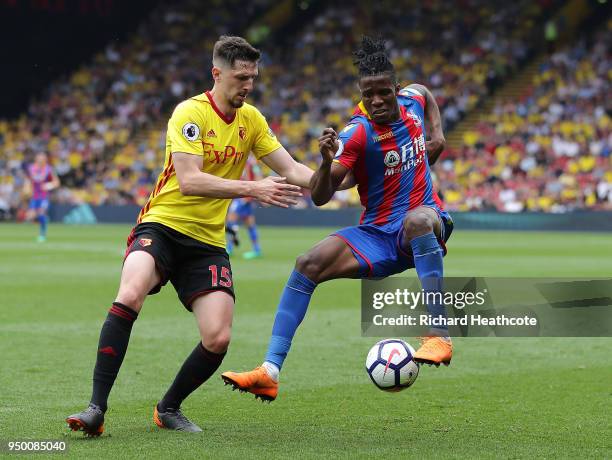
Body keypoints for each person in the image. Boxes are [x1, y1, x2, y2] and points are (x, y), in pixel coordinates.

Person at [65, 35, 316, 435]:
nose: (248, 85)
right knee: (130, 293)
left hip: (207, 243)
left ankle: (168, 408)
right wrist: (253, 188)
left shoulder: (252, 120)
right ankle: (96, 408)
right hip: (162, 225)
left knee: (218, 337)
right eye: (240, 77)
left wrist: (338, 175)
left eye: (252, 77)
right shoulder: (190, 113)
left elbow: (294, 170)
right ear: (217, 73)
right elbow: (189, 180)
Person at [222, 36, 453, 402]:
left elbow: (425, 91)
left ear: (396, 89)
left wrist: (436, 134)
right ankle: (270, 371)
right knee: (307, 263)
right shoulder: (357, 133)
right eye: (367, 94)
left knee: (418, 221)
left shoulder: (413, 100)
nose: (375, 101)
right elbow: (320, 195)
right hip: (377, 234)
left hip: (424, 222)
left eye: (383, 93)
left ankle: (439, 332)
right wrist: (327, 161)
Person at [226, 157, 263, 258]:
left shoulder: (250, 162)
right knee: (250, 224)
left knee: (231, 221)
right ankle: (256, 249)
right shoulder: (246, 160)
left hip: (244, 197)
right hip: (245, 196)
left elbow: (258, 176)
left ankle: (229, 248)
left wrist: (252, 194)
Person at [25, 152, 60, 242]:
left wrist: (48, 185)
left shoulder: (49, 169)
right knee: (30, 216)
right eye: (39, 158)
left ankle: (42, 234)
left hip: (44, 196)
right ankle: (44, 219)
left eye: (43, 158)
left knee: (41, 213)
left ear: (45, 160)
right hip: (34, 196)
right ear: (36, 159)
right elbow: (28, 180)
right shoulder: (31, 168)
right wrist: (26, 187)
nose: (41, 160)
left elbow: (56, 182)